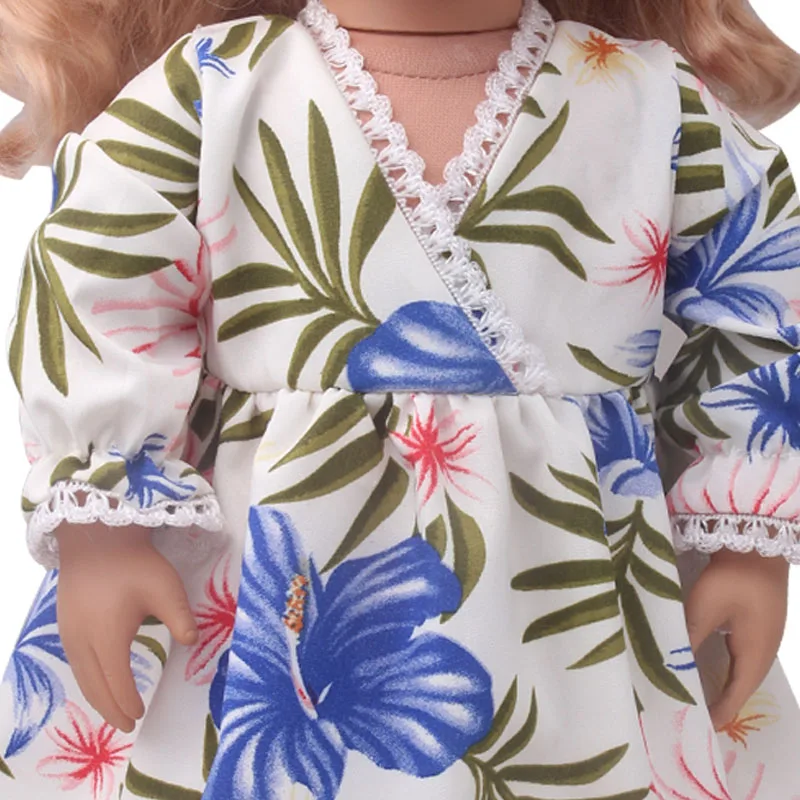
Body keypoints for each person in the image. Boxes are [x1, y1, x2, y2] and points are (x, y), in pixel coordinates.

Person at [0, 0, 799, 796]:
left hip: (574, 593)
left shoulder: (652, 100)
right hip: (262, 592)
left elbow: (766, 295)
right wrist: (104, 524)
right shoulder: (214, 84)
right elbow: (99, 274)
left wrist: (747, 536)